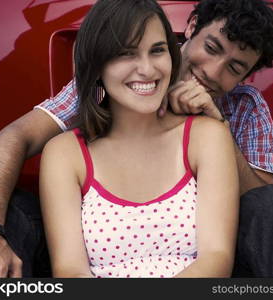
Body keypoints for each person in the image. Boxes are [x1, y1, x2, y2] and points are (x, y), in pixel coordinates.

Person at [0, 0, 273, 278]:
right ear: (192, 27)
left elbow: (267, 209)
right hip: (91, 247)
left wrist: (218, 125)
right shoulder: (110, 84)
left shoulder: (243, 107)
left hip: (206, 255)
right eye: (212, 48)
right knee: (12, 211)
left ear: (246, 77)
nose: (212, 72)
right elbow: (11, 139)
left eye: (234, 68)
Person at [39, 0, 239, 278]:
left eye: (157, 51)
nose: (147, 69)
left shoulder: (207, 137)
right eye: (126, 54)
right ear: (97, 65)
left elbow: (217, 258)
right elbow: (70, 270)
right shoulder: (65, 153)